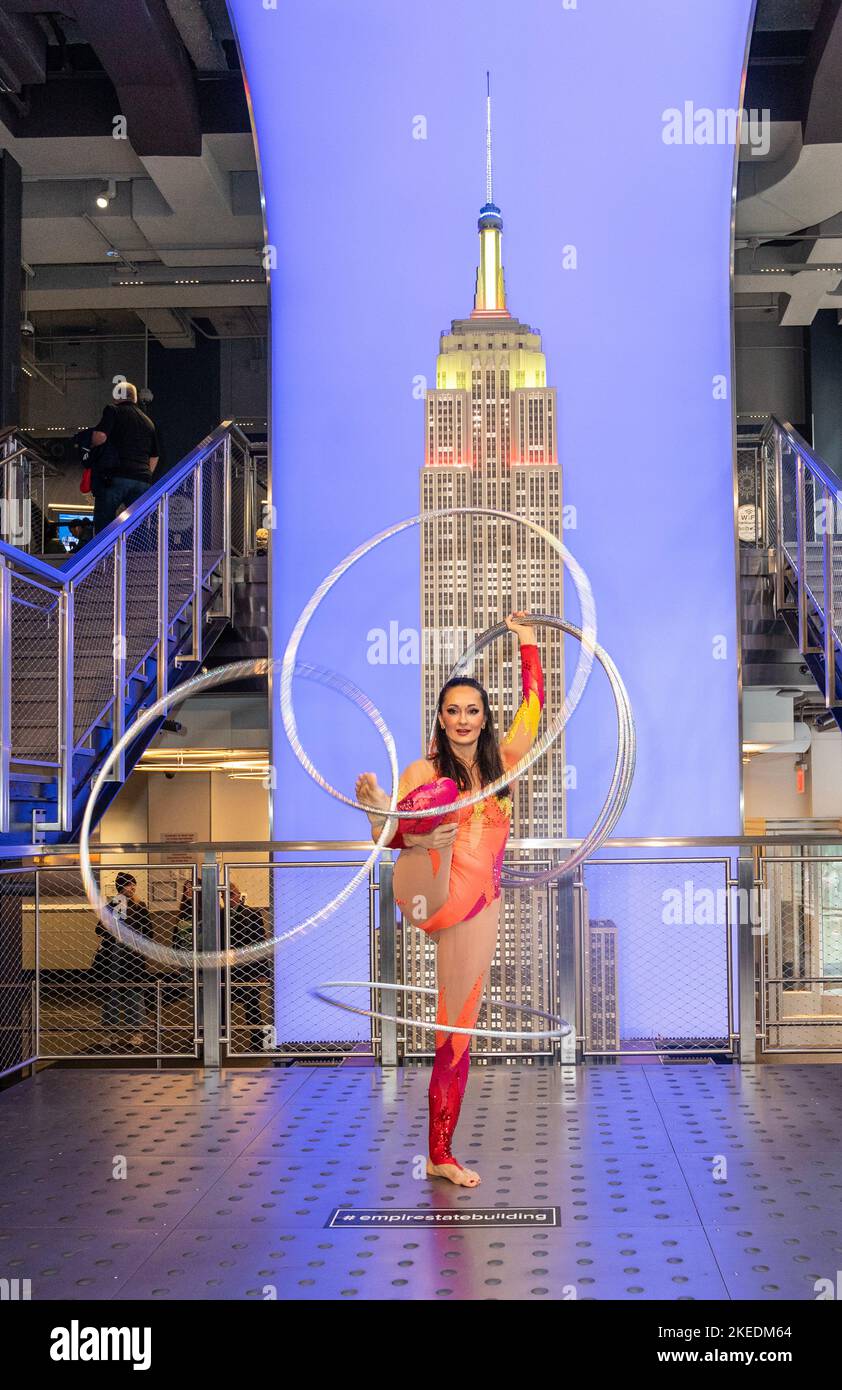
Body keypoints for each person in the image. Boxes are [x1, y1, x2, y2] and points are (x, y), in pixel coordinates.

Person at [356, 612, 544, 1189]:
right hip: (429, 885)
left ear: (484, 719)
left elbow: (533, 715)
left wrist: (529, 643)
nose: (463, 720)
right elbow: (389, 843)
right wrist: (381, 816)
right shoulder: (425, 768)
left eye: (473, 711)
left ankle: (440, 1150)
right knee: (433, 797)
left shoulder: (502, 767)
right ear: (440, 717)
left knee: (456, 1027)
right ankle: (439, 1153)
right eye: (452, 710)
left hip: (476, 902)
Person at [90, 381, 159, 534]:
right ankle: (141, 554)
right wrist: (145, 475)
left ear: (116, 396)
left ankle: (105, 556)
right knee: (140, 523)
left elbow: (100, 436)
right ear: (135, 398)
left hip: (116, 476)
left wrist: (92, 442)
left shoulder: (113, 410)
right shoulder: (148, 422)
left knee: (104, 520)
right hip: (142, 479)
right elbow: (154, 456)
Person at [97, 871, 155, 1047]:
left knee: (134, 994)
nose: (132, 887)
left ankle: (136, 1032)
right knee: (112, 994)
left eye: (133, 884)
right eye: (129, 884)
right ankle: (110, 1032)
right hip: (114, 956)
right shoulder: (113, 905)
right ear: (121, 887)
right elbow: (99, 929)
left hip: (133, 956)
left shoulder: (140, 907)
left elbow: (149, 932)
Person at [227, 881, 268, 1051]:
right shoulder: (221, 915)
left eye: (231, 895)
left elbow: (260, 942)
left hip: (248, 968)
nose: (228, 899)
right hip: (229, 968)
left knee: (252, 1006)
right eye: (224, 896)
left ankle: (257, 1042)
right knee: (223, 1004)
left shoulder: (252, 914)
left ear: (237, 895)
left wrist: (262, 971)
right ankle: (220, 1040)